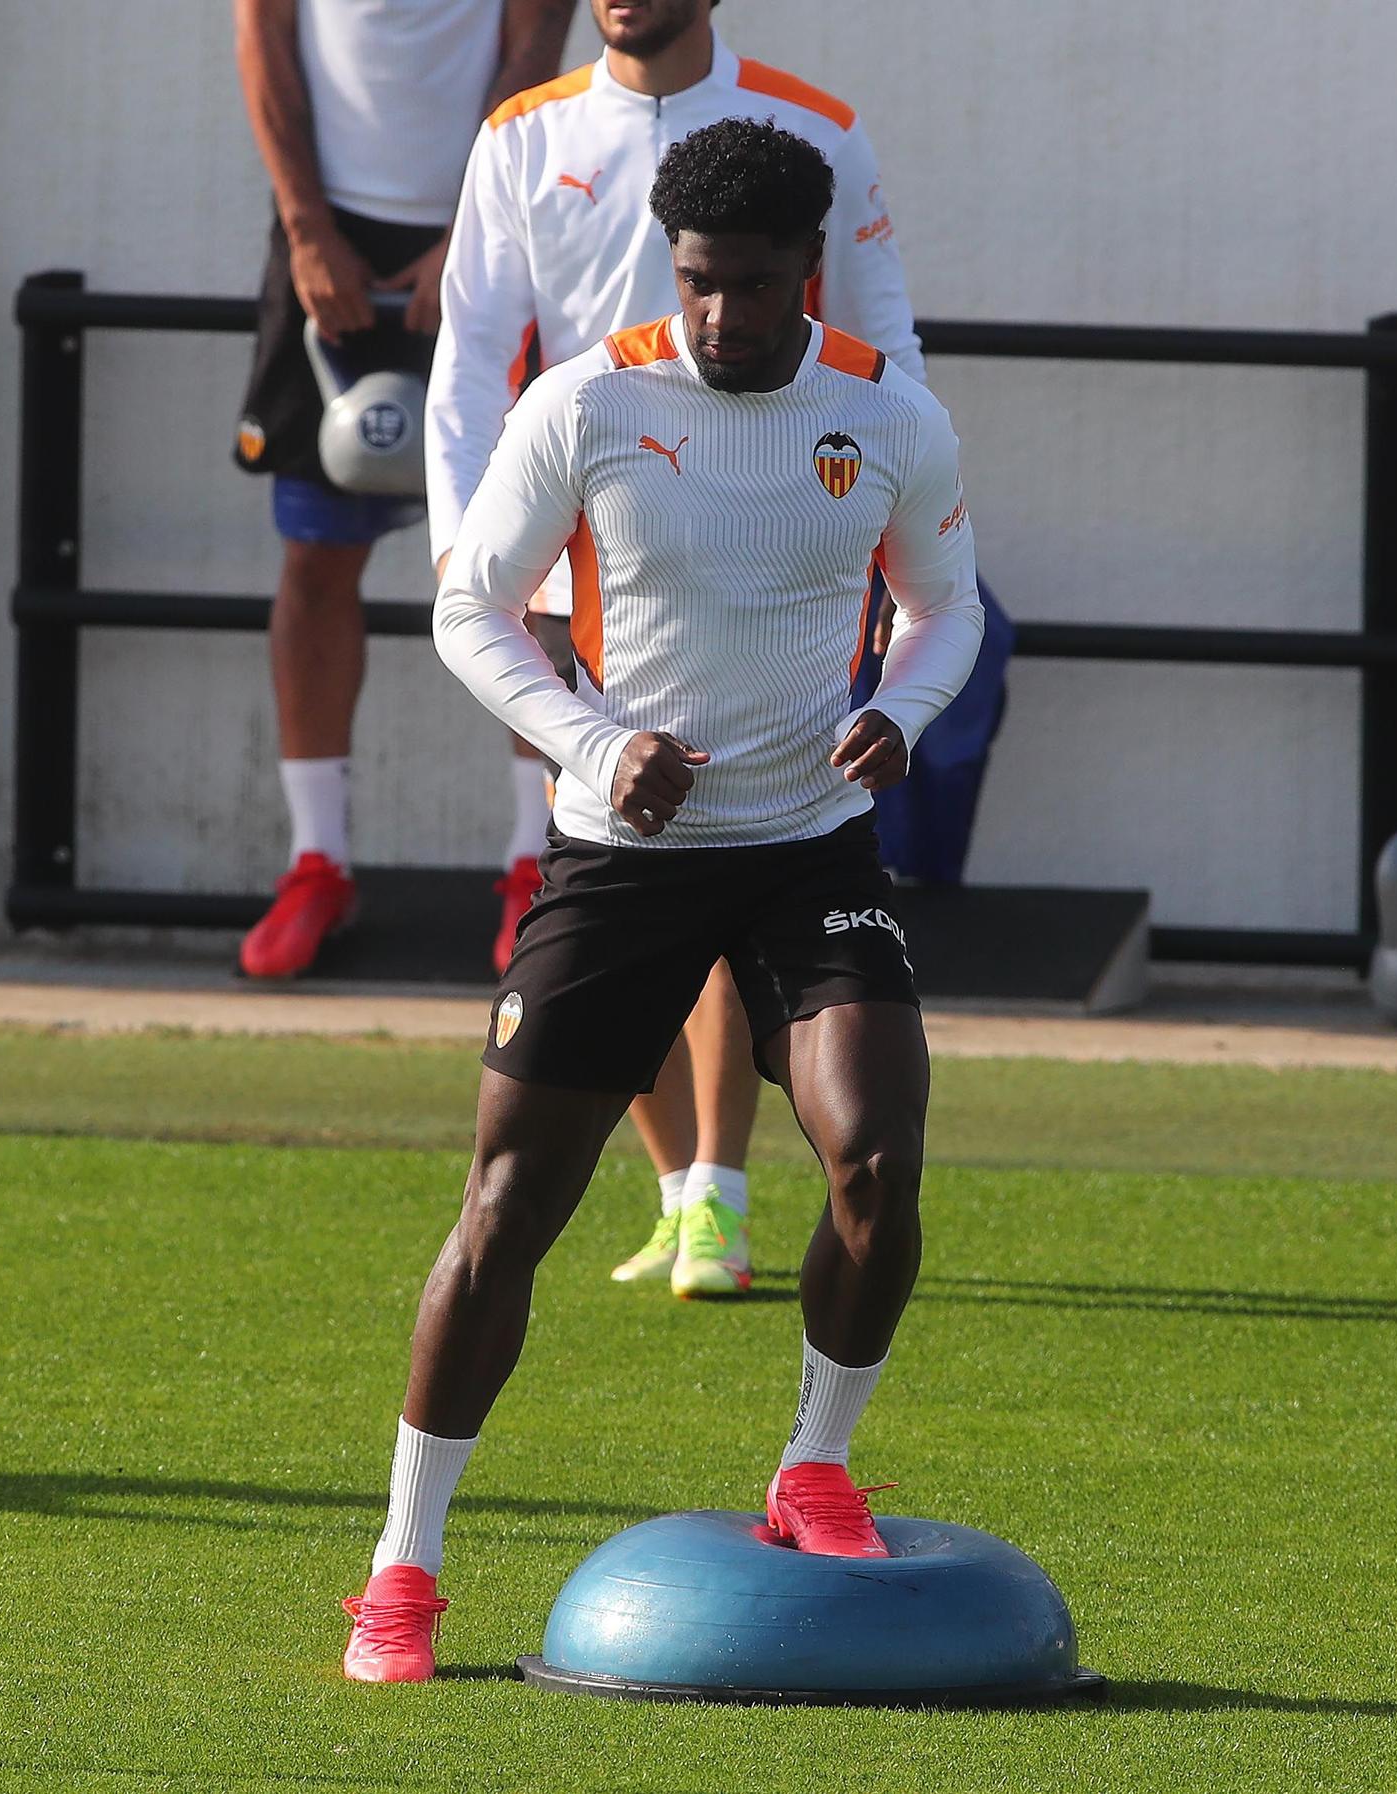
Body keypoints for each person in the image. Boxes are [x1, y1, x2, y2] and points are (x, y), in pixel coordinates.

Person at [338, 119, 983, 1683]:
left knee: (880, 1161)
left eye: (752, 286)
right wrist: (593, 738)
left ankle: (815, 1464)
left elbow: (943, 605)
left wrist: (905, 709)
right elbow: (468, 607)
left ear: (806, 277)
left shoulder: (887, 417)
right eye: (697, 281)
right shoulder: (588, 401)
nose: (720, 316)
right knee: (508, 1211)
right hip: (619, 861)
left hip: (811, 849)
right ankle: (403, 1569)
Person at [427, 0, 930, 1294]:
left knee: (748, 830)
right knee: (625, 837)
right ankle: (679, 1178)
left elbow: (891, 354)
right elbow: (473, 357)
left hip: (780, 548)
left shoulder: (817, 128)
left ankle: (721, 1179)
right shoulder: (521, 136)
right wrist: (472, 562)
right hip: (590, 553)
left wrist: (886, 551)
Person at [229, 0, 574, 980]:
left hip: (488, 232)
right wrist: (304, 228)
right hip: (329, 236)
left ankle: (537, 865)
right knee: (314, 554)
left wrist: (475, 229)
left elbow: (534, 40)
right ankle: (317, 863)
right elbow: (263, 39)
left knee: (528, 563)